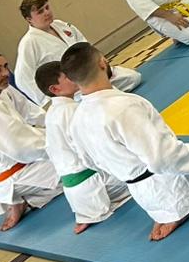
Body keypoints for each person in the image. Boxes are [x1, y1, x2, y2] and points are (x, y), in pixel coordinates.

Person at [63, 42, 189, 241]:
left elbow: (91, 163)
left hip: (143, 194)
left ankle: (170, 211)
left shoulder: (76, 121)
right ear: (103, 63)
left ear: (74, 81)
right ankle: (188, 206)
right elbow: (160, 158)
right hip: (169, 184)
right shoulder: (123, 107)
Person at [0, 53, 61, 230]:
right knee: (82, 164)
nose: (5, 73)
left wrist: (59, 126)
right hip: (14, 174)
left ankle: (26, 199)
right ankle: (18, 197)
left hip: (21, 163)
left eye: (5, 67)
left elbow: (31, 113)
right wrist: (63, 141)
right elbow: (22, 147)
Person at [35, 61, 129, 233]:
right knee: (144, 171)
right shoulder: (71, 111)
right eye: (67, 76)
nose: (73, 77)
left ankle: (87, 213)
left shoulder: (53, 112)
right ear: (55, 89)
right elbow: (92, 150)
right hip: (93, 183)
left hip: (77, 193)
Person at [14, 0, 143, 106]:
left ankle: (103, 97)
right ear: (29, 19)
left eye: (47, 8)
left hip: (90, 73)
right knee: (104, 98)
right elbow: (22, 79)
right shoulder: (29, 43)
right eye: (40, 12)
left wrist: (100, 65)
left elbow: (85, 47)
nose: (46, 13)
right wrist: (47, 100)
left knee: (132, 78)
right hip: (72, 87)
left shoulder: (60, 25)